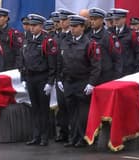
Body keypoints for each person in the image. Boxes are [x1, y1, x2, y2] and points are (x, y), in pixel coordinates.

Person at [57, 14, 101, 147]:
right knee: (71, 112)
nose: (72, 29)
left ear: (82, 27)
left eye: (75, 26)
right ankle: (73, 137)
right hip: (69, 81)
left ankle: (82, 138)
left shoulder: (90, 43)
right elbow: (60, 62)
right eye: (71, 26)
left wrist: (91, 83)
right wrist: (59, 79)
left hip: (82, 81)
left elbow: (96, 66)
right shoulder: (66, 41)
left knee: (82, 113)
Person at [20, 13, 58, 146]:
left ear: (41, 26)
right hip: (30, 78)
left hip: (42, 78)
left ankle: (44, 137)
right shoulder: (27, 39)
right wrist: (23, 77)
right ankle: (35, 136)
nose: (31, 28)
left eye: (34, 25)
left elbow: (53, 64)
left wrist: (50, 82)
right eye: (30, 25)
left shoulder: (47, 41)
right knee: (34, 108)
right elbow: (23, 61)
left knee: (43, 109)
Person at [54, 8, 76, 143]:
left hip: (69, 76)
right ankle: (63, 133)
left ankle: (73, 133)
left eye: (64, 20)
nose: (61, 22)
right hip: (59, 76)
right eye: (60, 20)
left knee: (71, 107)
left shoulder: (72, 37)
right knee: (61, 106)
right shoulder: (57, 36)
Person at [88, 7, 122, 83]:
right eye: (91, 19)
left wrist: (115, 79)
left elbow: (117, 59)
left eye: (95, 19)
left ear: (101, 20)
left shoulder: (109, 37)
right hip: (91, 76)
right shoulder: (87, 36)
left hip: (105, 77)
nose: (92, 22)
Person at [0, 7, 23, 73]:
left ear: (6, 18)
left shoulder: (13, 34)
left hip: (8, 69)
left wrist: (15, 70)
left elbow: (19, 54)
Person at [110, 8, 139, 75]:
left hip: (127, 70)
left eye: (117, 19)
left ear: (124, 19)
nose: (115, 21)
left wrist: (136, 71)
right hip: (113, 70)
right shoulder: (109, 32)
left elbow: (138, 52)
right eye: (114, 19)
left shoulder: (131, 33)